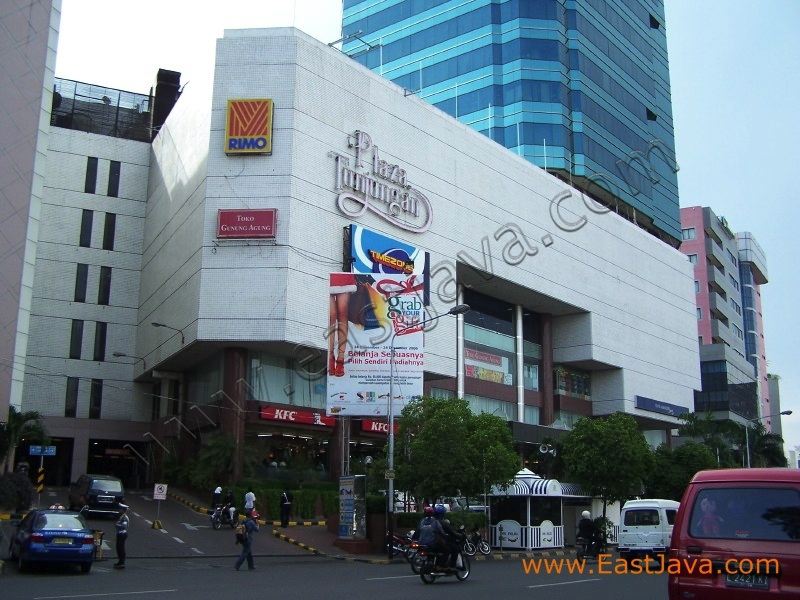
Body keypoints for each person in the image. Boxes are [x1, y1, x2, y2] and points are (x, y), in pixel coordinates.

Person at [433, 504, 461, 568]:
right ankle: (450, 566)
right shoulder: (442, 523)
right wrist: (459, 535)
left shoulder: (430, 521)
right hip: (439, 543)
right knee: (454, 549)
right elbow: (451, 532)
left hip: (430, 543)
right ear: (442, 514)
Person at [113, 504, 129, 569]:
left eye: (120, 509)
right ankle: (120, 561)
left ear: (123, 510)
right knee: (118, 548)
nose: (119, 510)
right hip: (120, 533)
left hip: (122, 534)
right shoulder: (122, 516)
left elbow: (124, 526)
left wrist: (117, 525)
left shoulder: (124, 517)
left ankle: (122, 562)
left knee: (121, 548)